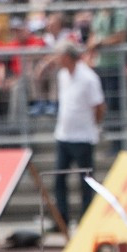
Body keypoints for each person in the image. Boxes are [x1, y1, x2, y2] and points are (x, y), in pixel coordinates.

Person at [52, 40, 105, 230]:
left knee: (86, 182)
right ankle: (62, 220)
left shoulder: (88, 78)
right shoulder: (62, 75)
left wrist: (92, 126)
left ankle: (87, 220)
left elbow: (99, 106)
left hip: (83, 138)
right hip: (64, 136)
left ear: (67, 56)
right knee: (59, 180)